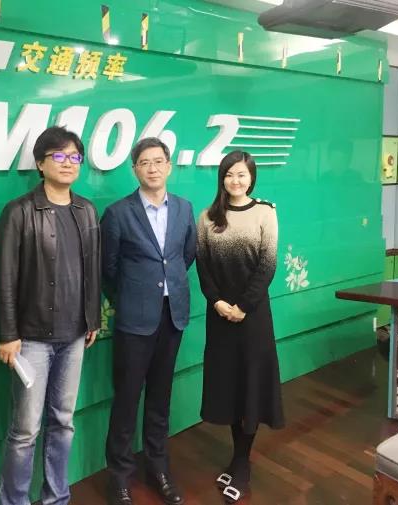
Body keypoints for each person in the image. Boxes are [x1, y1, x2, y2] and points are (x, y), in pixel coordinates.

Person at [0, 126, 101, 505]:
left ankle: (57, 498)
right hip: (31, 339)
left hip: (75, 336)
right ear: (41, 163)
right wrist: (7, 333)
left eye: (74, 157)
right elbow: (3, 277)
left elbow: (93, 270)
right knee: (25, 430)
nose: (68, 163)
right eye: (59, 156)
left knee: (63, 422)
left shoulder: (86, 210)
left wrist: (93, 319)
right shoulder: (19, 211)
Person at [101, 137, 197, 505]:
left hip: (172, 316)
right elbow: (108, 268)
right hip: (134, 320)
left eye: (158, 161)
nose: (152, 168)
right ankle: (119, 476)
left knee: (160, 398)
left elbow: (185, 255)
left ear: (169, 166)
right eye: (144, 162)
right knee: (127, 399)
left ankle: (158, 468)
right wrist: (132, 296)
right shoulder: (118, 213)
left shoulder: (185, 208)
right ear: (135, 170)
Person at [195, 150, 285, 503]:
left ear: (251, 178)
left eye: (242, 175)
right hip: (219, 316)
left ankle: (242, 463)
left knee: (251, 385)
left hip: (253, 316)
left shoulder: (265, 212)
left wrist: (243, 306)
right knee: (230, 386)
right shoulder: (207, 217)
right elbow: (202, 266)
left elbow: (267, 265)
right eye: (229, 174)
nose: (235, 180)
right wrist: (217, 301)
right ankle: (237, 456)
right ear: (222, 178)